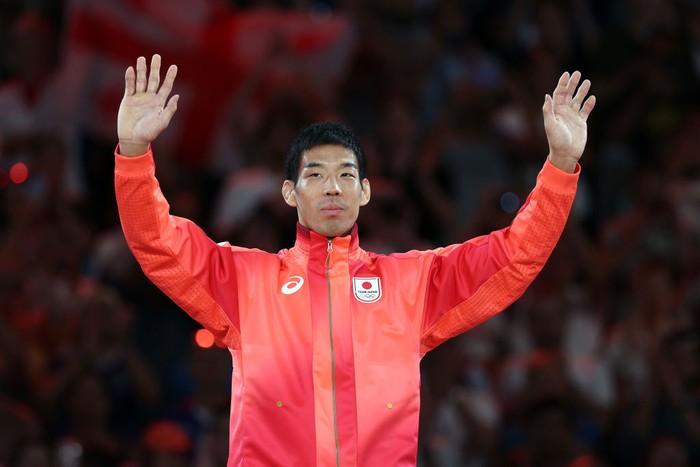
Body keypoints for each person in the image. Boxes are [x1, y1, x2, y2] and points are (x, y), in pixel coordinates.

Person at [114, 54, 595, 465]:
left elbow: (515, 258)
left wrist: (558, 168)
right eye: (315, 174)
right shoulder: (246, 280)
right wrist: (134, 154)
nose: (332, 186)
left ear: (365, 192)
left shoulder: (412, 284)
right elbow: (159, 244)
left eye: (346, 174)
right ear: (289, 192)